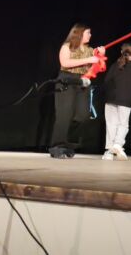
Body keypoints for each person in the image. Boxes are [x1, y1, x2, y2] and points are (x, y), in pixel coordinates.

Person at [50, 23, 105, 159]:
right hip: (67, 80)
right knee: (64, 114)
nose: (90, 35)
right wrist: (89, 59)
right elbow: (65, 63)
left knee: (83, 115)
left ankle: (68, 144)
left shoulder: (90, 50)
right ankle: (57, 146)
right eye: (88, 33)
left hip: (82, 81)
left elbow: (97, 68)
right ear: (79, 34)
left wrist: (100, 56)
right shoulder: (67, 46)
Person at [102, 43, 131, 161]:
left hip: (111, 98)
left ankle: (109, 152)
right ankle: (117, 145)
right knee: (123, 124)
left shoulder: (115, 64)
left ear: (121, 52)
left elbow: (106, 80)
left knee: (111, 124)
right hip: (126, 98)